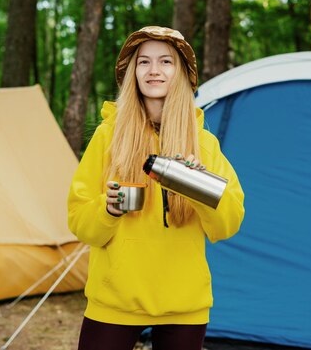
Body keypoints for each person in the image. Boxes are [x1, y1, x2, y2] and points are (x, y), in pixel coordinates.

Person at [67, 26, 245, 350]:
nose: (154, 71)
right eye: (143, 62)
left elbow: (228, 224)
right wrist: (106, 209)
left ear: (181, 74)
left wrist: (200, 187)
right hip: (115, 299)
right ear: (131, 73)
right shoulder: (108, 137)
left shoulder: (203, 144)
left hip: (184, 303)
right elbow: (81, 222)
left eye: (165, 62)